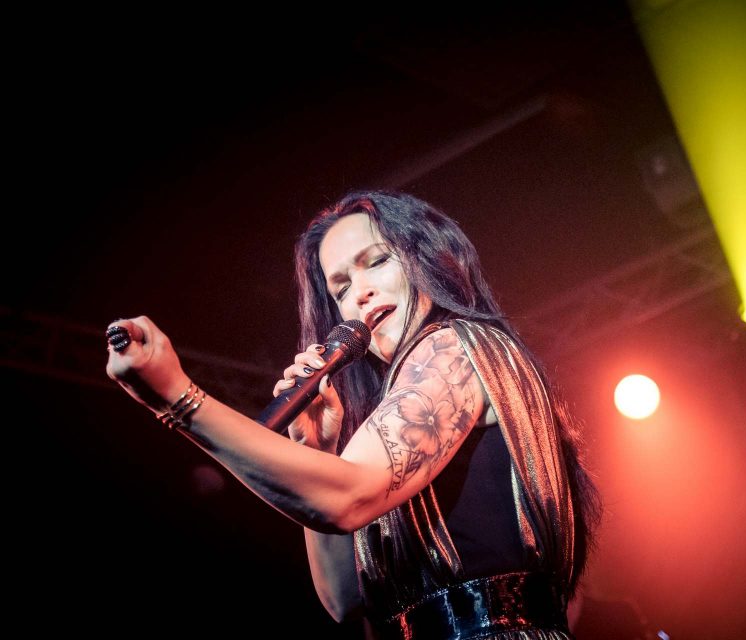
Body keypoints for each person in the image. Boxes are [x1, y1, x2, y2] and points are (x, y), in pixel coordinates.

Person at [106, 190, 601, 639]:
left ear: (429, 258)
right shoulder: (395, 399)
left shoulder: (454, 346)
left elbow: (346, 497)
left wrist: (178, 397)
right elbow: (343, 599)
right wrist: (318, 450)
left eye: (377, 262)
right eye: (340, 287)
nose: (359, 292)